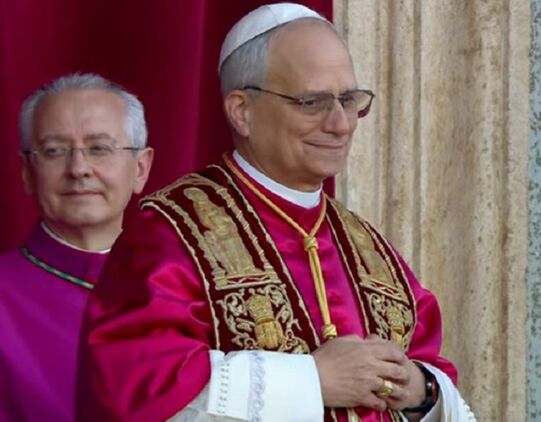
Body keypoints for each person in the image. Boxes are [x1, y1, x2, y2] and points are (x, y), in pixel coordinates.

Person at [77, 3, 475, 421]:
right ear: (242, 111)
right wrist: (311, 381)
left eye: (348, 100)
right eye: (312, 102)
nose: (341, 124)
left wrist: (421, 392)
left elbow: (433, 371)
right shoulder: (170, 234)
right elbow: (137, 390)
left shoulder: (370, 248)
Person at [0, 73, 154, 421]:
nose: (79, 169)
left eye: (99, 148)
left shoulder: (189, 285)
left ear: (141, 168)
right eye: (55, 151)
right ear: (27, 172)